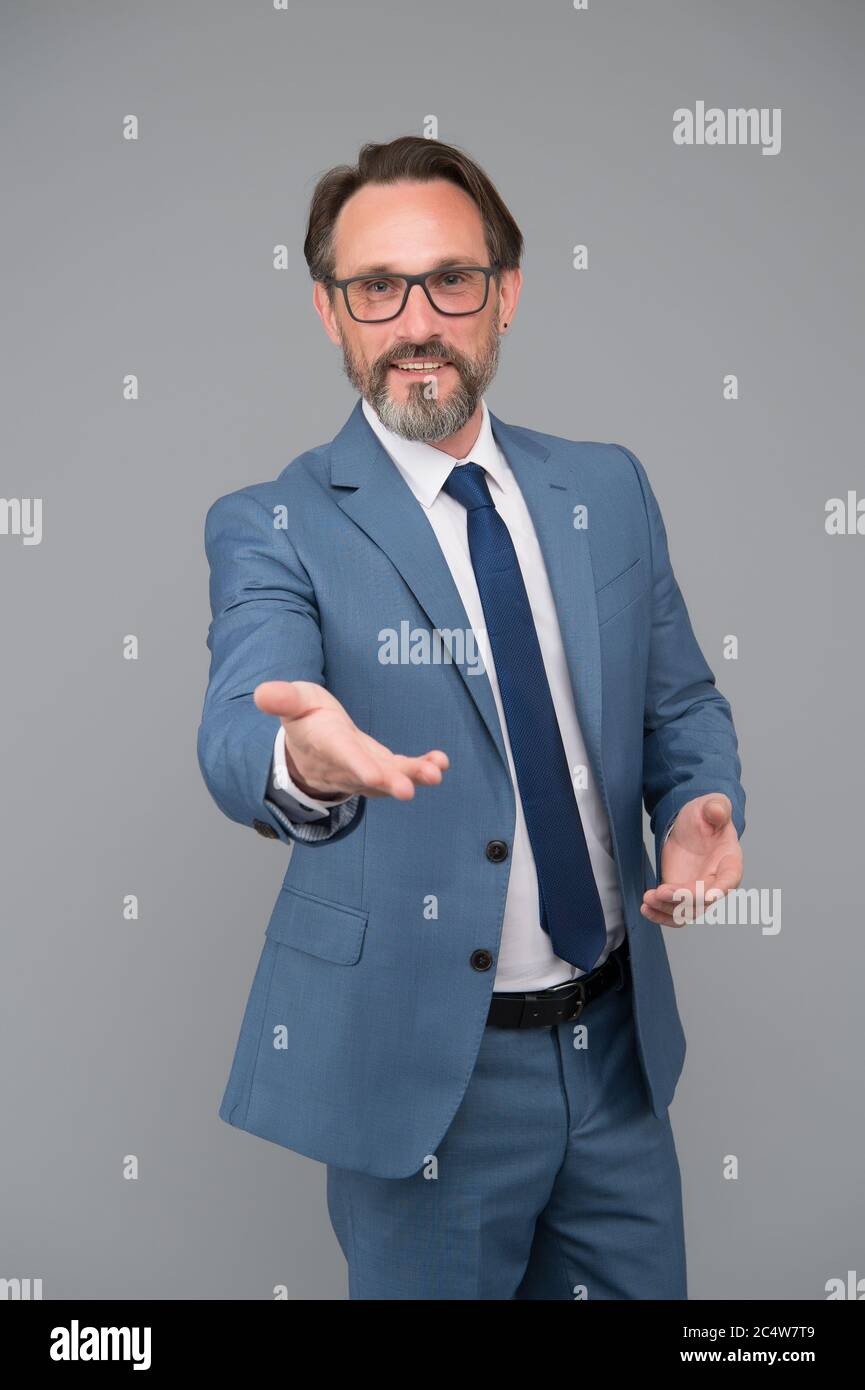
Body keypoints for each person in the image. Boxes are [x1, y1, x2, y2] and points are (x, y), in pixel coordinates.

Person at [197, 135, 746, 1300]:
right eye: (375, 288)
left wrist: (700, 797)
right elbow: (239, 722)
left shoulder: (605, 488)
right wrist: (303, 757)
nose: (415, 321)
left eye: (450, 279)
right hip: (423, 1073)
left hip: (614, 1057)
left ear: (505, 294)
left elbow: (680, 697)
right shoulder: (272, 521)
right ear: (330, 313)